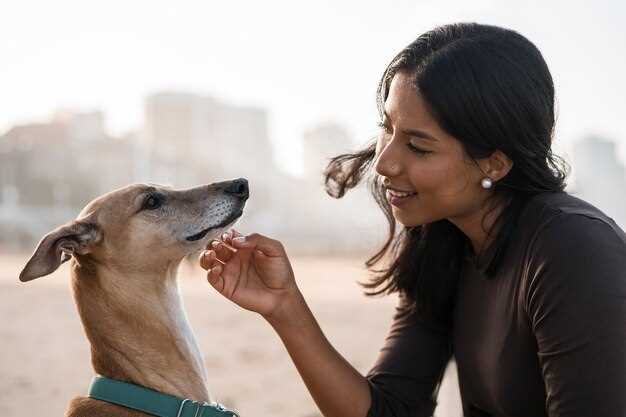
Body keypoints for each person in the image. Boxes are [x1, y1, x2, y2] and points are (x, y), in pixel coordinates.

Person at [199, 22, 626, 417]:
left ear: (494, 163)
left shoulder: (574, 250)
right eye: (388, 128)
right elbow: (390, 410)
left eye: (418, 147)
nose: (384, 162)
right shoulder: (442, 238)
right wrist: (284, 307)